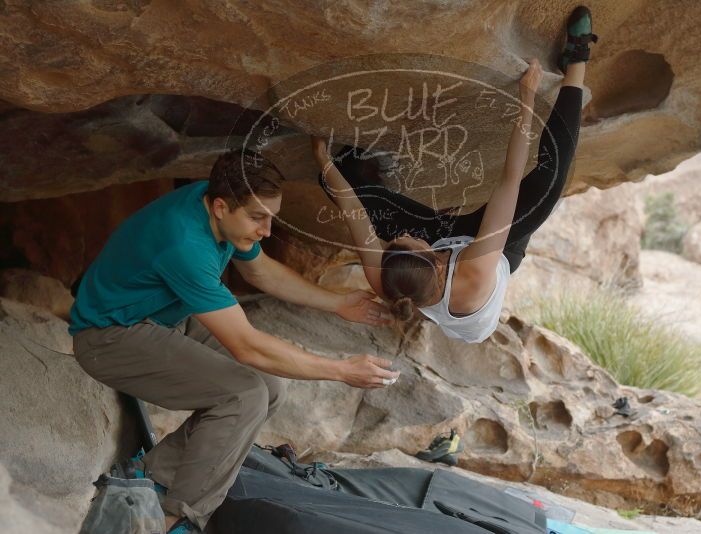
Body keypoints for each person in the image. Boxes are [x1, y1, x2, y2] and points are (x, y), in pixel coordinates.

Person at [69, 150, 399, 533]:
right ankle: (178, 519)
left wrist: (339, 302)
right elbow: (247, 346)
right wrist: (340, 371)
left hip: (164, 318)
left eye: (271, 217)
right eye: (258, 218)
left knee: (271, 386)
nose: (267, 231)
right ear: (222, 207)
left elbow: (259, 271)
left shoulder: (214, 204)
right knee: (243, 395)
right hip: (109, 337)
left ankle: (154, 473)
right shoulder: (185, 245)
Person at [312, 6, 597, 344]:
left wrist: (322, 160)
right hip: (498, 254)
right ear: (437, 263)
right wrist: (526, 101)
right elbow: (510, 178)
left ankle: (367, 168)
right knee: (553, 175)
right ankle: (577, 62)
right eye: (408, 239)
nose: (403, 233)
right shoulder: (475, 273)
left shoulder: (390, 277)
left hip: (446, 246)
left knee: (333, 181)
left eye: (393, 241)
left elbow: (354, 213)